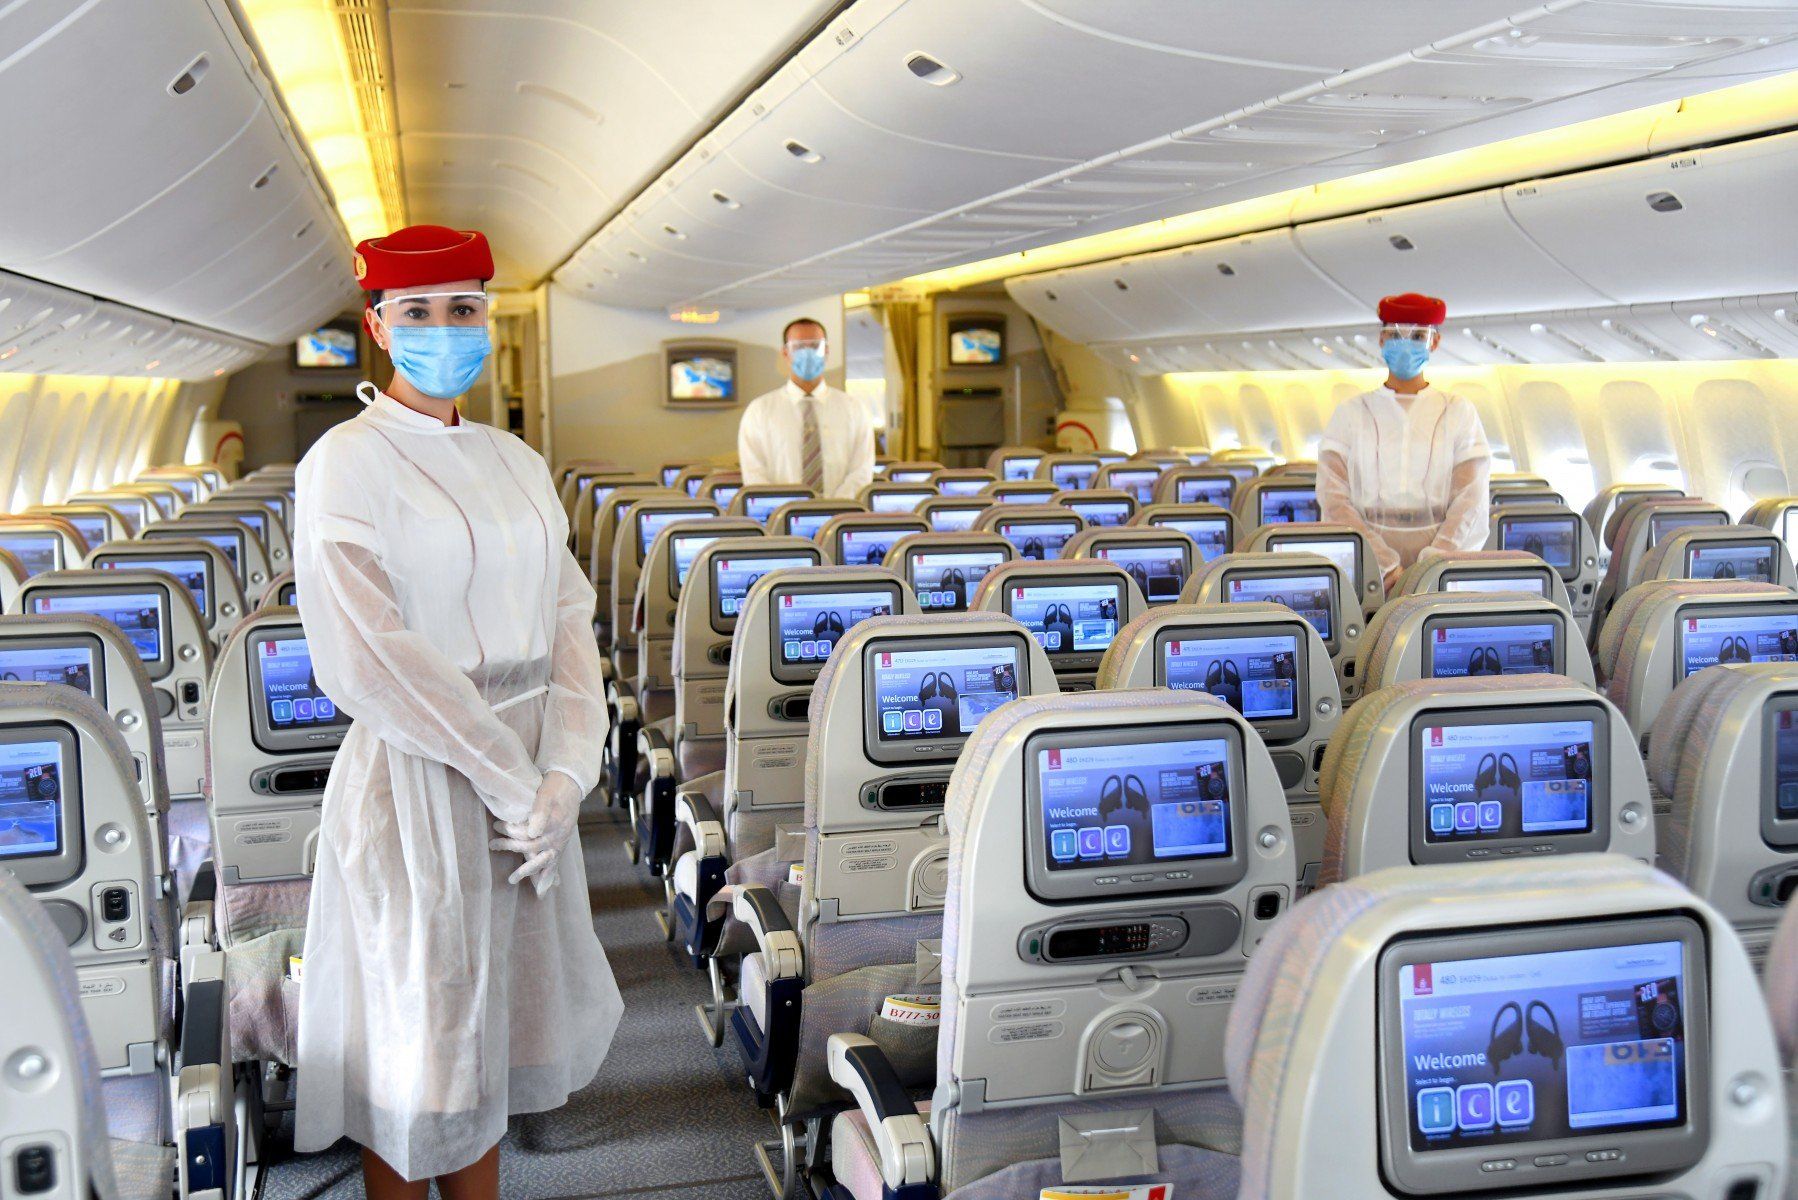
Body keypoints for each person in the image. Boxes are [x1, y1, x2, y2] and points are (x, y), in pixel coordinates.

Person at [291, 224, 622, 1197]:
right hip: (420, 776)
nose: (447, 329)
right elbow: (370, 656)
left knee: (491, 1044)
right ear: (379, 328)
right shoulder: (344, 465)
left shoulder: (516, 462)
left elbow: (571, 624)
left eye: (465, 310)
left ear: (488, 319)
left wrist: (565, 774)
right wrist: (511, 777)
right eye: (421, 312)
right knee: (422, 1050)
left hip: (528, 783)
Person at [1318, 293, 1492, 593]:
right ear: (1382, 340)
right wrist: (1382, 564)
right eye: (1394, 334)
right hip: (1365, 564)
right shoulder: (1351, 413)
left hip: (1441, 569)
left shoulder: (1458, 411)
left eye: (1417, 335)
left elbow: (1470, 500)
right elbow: (1334, 499)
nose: (1404, 342)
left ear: (1434, 342)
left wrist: (1434, 564)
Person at [738, 317, 874, 499]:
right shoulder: (760, 411)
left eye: (815, 346)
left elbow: (861, 470)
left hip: (842, 516)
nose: (808, 352)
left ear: (826, 351)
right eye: (799, 347)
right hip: (780, 518)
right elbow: (754, 473)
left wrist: (833, 510)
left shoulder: (854, 409)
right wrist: (788, 511)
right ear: (785, 353)